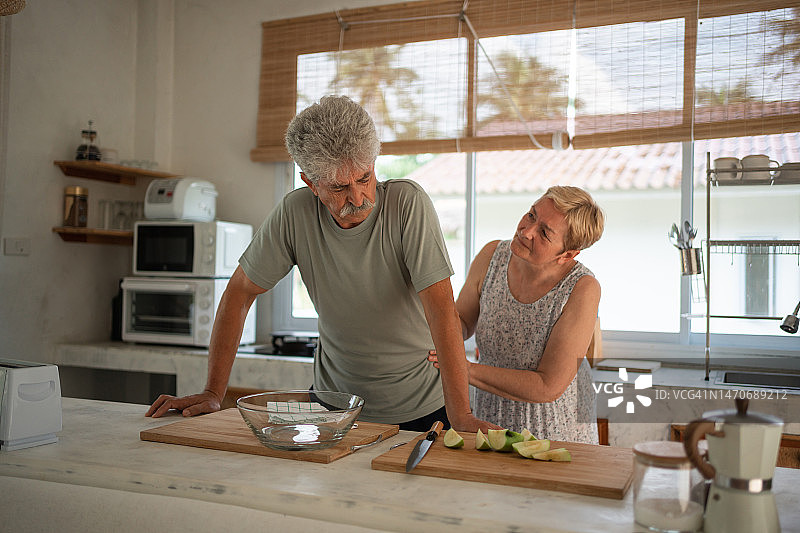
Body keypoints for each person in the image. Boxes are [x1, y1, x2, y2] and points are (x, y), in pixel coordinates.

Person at [146, 95, 497, 433]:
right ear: (311, 184)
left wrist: (461, 413)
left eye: (365, 177)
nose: (358, 197)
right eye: (340, 186)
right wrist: (212, 392)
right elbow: (239, 293)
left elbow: (441, 311)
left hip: (423, 408)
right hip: (334, 408)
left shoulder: (408, 205)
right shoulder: (295, 213)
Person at [428, 186, 604, 443]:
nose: (526, 230)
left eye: (544, 232)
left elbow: (548, 385)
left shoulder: (582, 288)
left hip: (552, 428)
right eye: (531, 215)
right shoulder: (492, 256)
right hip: (488, 414)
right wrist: (431, 315)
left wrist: (463, 369)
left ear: (568, 254)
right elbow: (462, 321)